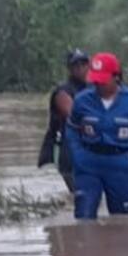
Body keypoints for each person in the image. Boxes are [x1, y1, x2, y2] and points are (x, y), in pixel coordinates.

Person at [66, 52, 128, 219]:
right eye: (95, 80)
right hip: (88, 164)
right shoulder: (82, 100)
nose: (98, 85)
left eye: (103, 80)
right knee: (84, 216)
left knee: (123, 219)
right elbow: (71, 128)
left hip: (120, 165)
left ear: (116, 77)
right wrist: (77, 152)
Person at [38, 49, 90, 193]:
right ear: (70, 68)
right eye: (76, 65)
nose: (80, 68)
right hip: (69, 149)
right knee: (80, 193)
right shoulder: (63, 91)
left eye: (83, 63)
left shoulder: (93, 88)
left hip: (89, 149)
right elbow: (74, 117)